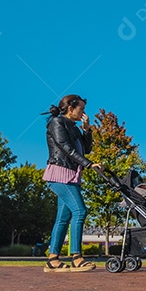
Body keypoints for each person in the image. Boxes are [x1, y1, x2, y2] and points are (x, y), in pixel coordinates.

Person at [43, 94, 102, 272]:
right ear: (71, 108)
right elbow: (65, 148)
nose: (83, 112)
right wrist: (89, 164)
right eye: (81, 109)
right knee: (80, 210)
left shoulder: (74, 128)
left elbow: (86, 148)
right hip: (60, 173)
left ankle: (53, 260)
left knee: (63, 218)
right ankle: (77, 257)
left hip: (71, 174)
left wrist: (87, 130)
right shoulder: (57, 123)